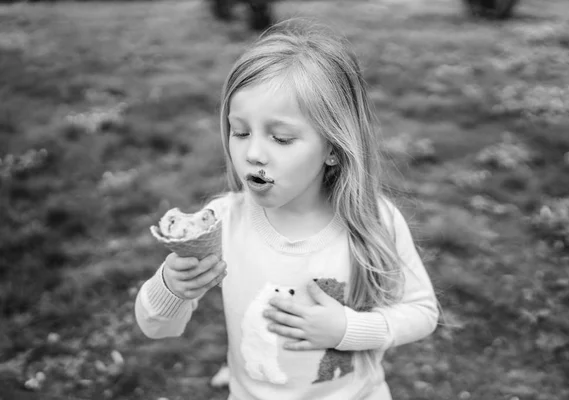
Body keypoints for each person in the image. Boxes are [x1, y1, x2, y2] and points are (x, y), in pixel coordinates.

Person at [135, 18, 439, 400]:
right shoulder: (224, 224)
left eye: (281, 138)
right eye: (240, 132)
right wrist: (171, 288)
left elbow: (422, 312)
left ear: (332, 147)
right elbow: (155, 328)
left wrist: (348, 330)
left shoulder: (374, 220)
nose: (254, 153)